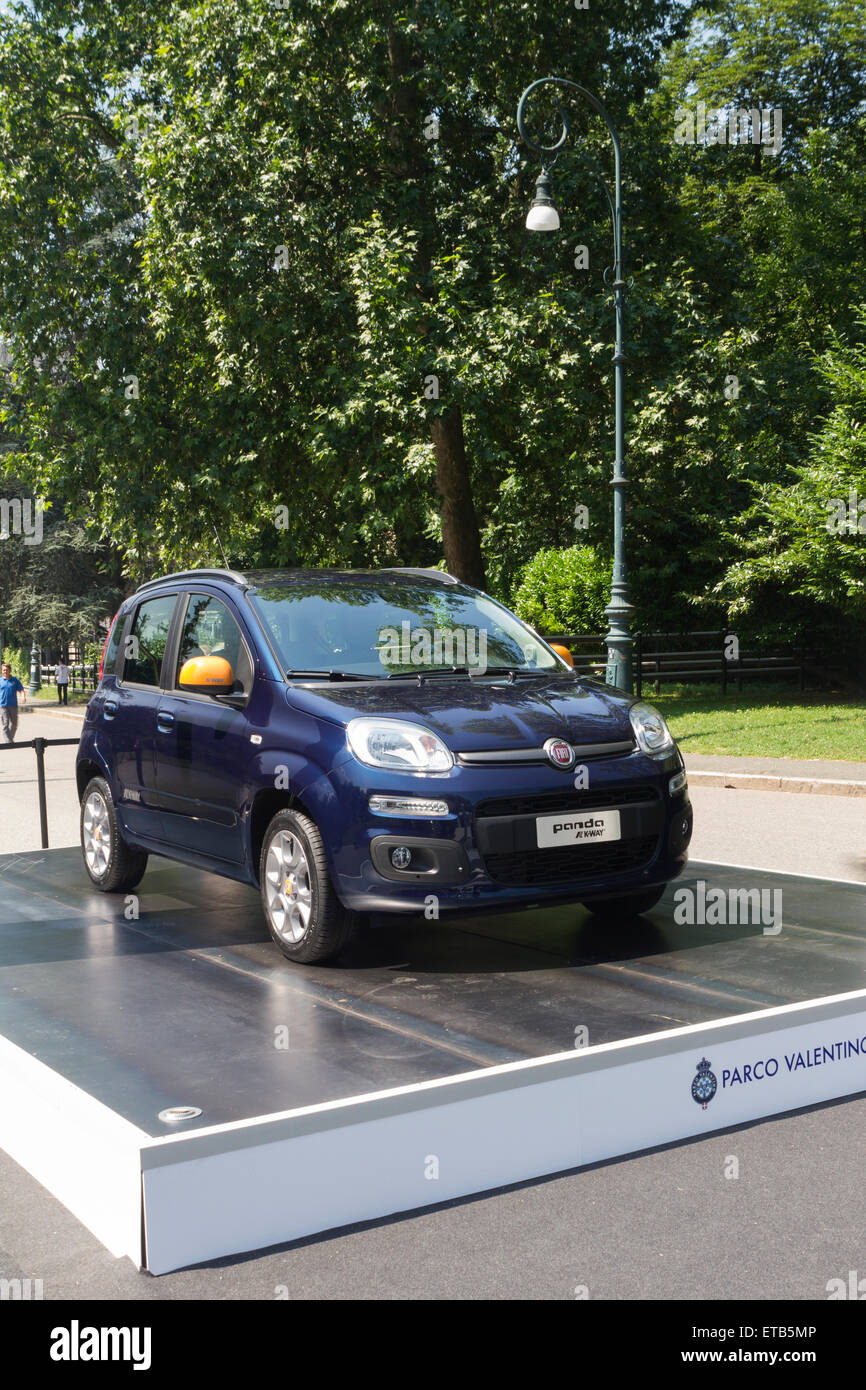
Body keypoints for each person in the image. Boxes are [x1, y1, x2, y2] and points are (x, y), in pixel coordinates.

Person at [0, 662, 26, 744]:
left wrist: (23, 696)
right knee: (5, 724)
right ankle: (9, 742)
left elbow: (21, 690)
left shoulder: (15, 680)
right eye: (4, 670)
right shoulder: (0, 681)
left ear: (10, 670)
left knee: (14, 724)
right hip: (3, 705)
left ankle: (10, 739)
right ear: (1, 671)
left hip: (13, 705)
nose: (5, 671)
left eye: (7, 670)